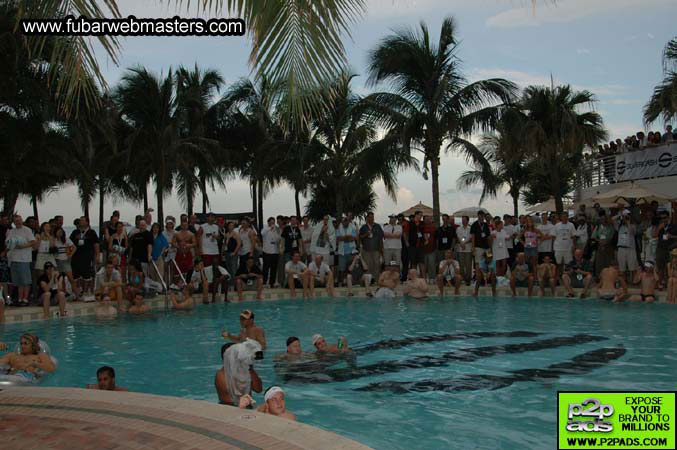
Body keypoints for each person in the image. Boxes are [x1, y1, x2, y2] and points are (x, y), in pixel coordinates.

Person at [217, 339, 263, 407]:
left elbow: (258, 389)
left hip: (246, 406)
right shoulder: (221, 376)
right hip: (230, 409)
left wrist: (250, 369)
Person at [6, 214, 37, 306]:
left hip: (24, 259)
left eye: (19, 220)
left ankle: (25, 299)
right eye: (16, 221)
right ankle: (20, 299)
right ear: (14, 222)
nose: (18, 222)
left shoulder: (27, 230)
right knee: (18, 281)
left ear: (22, 220)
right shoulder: (12, 231)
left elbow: (33, 242)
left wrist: (22, 246)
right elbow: (7, 242)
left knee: (25, 280)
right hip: (13, 258)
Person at [69, 216, 100, 301]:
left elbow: (96, 244)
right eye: (80, 220)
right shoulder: (75, 232)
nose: (80, 222)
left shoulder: (92, 232)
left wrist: (97, 255)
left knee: (87, 275)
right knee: (76, 276)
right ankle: (78, 292)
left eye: (82, 220)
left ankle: (86, 292)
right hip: (76, 257)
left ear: (87, 222)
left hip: (87, 257)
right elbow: (69, 243)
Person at [359, 212, 384, 284]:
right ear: (367, 218)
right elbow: (360, 237)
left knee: (377, 265)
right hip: (366, 250)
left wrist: (381, 249)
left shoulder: (377, 226)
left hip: (376, 250)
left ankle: (376, 281)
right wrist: (366, 234)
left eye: (373, 217)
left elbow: (381, 238)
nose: (372, 218)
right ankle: (369, 282)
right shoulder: (364, 227)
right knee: (368, 266)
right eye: (370, 217)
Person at [615, 210, 638, 284]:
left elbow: (632, 232)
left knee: (633, 267)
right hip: (621, 248)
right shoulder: (619, 226)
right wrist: (620, 215)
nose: (626, 218)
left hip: (630, 249)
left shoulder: (633, 225)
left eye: (627, 216)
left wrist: (628, 222)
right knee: (622, 268)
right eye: (625, 217)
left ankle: (634, 282)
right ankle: (624, 282)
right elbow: (611, 220)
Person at [336, 215, 358, 286]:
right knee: (342, 269)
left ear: (348, 222)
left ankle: (351, 283)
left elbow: (353, 238)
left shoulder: (352, 228)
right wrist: (347, 238)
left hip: (351, 252)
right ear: (342, 222)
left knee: (351, 268)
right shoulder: (339, 228)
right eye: (344, 222)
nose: (345, 223)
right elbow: (338, 239)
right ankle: (343, 283)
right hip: (342, 252)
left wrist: (344, 238)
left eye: (346, 221)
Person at [553, 213, 576, 277]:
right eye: (563, 217)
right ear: (561, 217)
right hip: (558, 248)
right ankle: (559, 277)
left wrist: (574, 246)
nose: (564, 218)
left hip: (568, 248)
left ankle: (567, 277)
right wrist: (553, 247)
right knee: (558, 263)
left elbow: (574, 236)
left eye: (566, 216)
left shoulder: (571, 225)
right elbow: (553, 237)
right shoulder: (557, 225)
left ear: (568, 217)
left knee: (568, 264)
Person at [261, 217, 281, 288]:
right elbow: (262, 233)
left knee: (274, 268)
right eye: (271, 222)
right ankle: (264, 282)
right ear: (268, 222)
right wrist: (270, 228)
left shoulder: (276, 230)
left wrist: (277, 233)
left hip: (275, 252)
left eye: (274, 222)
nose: (273, 223)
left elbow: (279, 239)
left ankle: (272, 283)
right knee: (266, 268)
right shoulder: (265, 229)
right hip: (266, 251)